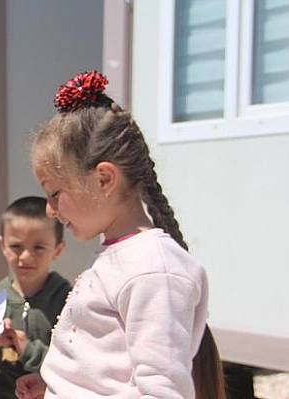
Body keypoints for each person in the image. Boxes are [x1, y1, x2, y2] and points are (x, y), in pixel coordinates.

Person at [14, 71, 225, 399]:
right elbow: (107, 362)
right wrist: (56, 383)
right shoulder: (120, 254)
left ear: (103, 179)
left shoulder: (153, 270)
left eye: (55, 193)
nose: (50, 210)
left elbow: (161, 391)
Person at [0, 196, 73, 399]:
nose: (26, 257)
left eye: (38, 247)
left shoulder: (68, 300)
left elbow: (76, 366)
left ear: (58, 249)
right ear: (3, 245)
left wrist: (28, 350)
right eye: (16, 247)